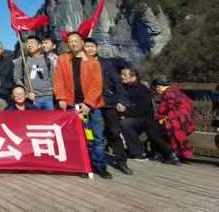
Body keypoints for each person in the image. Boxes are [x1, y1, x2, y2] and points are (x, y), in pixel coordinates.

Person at [53, 33, 110, 179]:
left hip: (93, 106)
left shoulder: (92, 62)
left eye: (76, 41)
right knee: (79, 138)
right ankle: (84, 165)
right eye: (70, 41)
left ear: (82, 42)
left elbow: (97, 84)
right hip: (72, 105)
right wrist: (61, 97)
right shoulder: (63, 59)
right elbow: (58, 80)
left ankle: (100, 166)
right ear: (67, 44)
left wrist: (88, 103)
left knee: (97, 137)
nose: (73, 43)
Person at [83, 38, 132, 175]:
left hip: (108, 102)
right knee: (92, 134)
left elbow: (117, 83)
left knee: (114, 131)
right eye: (86, 46)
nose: (89, 49)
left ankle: (122, 160)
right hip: (91, 103)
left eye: (92, 46)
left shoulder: (107, 64)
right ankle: (94, 162)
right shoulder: (81, 63)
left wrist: (121, 101)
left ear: (96, 48)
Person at [119, 68, 180, 164]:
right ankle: (124, 150)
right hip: (134, 116)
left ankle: (139, 152)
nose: (121, 76)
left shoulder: (141, 89)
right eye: (121, 74)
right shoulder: (123, 87)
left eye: (124, 75)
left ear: (133, 77)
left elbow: (143, 109)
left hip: (144, 118)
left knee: (125, 124)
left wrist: (125, 113)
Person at [153, 75, 196, 161]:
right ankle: (176, 153)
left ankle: (167, 153)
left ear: (161, 86)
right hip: (187, 121)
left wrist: (156, 116)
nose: (156, 89)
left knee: (154, 129)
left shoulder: (167, 94)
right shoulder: (176, 92)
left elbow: (162, 110)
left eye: (157, 87)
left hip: (178, 121)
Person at [12, 35, 54, 110]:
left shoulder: (48, 60)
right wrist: (26, 93)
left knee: (50, 118)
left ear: (39, 45)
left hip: (48, 98)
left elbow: (54, 79)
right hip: (32, 99)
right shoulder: (22, 60)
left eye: (32, 42)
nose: (29, 45)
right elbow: (17, 78)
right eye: (28, 43)